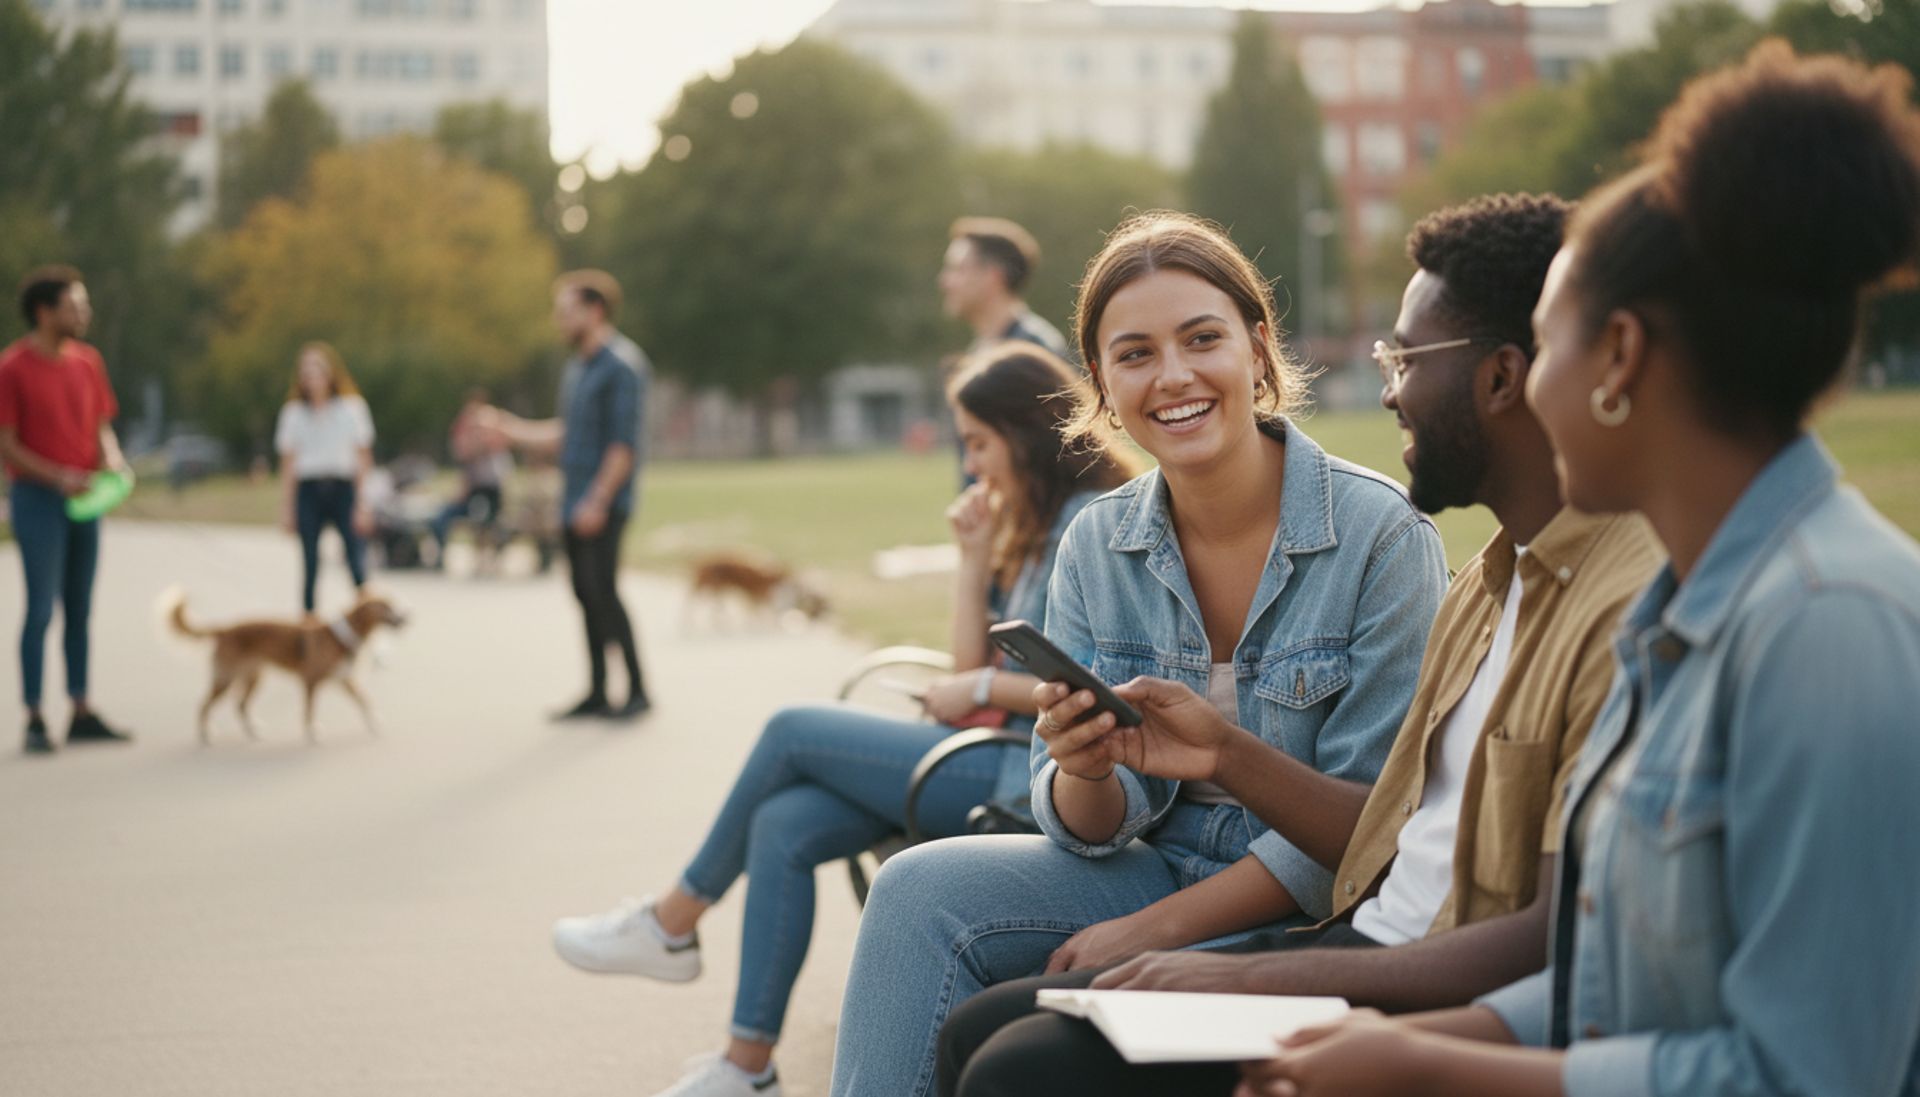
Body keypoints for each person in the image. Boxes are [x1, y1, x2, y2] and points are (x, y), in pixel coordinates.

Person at [1237, 42, 1920, 1097]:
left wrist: (1442, 1069)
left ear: (1619, 363)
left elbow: (1809, 1073)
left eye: (1545, 345)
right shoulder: (1677, 608)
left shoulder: (1830, 626)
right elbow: (1604, 977)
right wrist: (1422, 1043)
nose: (1530, 393)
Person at [934, 194, 1670, 1097]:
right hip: (1353, 937)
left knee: (1021, 1069)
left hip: (1384, 964)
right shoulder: (1488, 584)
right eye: (1133, 354)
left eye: (1403, 357)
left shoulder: (1587, 594)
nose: (1389, 386)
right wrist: (1194, 757)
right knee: (979, 1023)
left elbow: (1551, 936)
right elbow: (1387, 837)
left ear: (1505, 376)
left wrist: (1245, 967)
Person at [827, 212, 1451, 1097]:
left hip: (1316, 908)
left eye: (1202, 339)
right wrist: (1084, 768)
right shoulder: (1094, 541)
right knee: (913, 890)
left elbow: (1372, 834)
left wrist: (1159, 925)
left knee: (1012, 1057)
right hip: (1141, 867)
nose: (1173, 376)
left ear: (1258, 348)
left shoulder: (1380, 536)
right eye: (1135, 354)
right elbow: (1084, 821)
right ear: (1101, 384)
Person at [549, 344, 1142, 1097]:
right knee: (786, 821)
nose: (971, 462)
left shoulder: (1086, 523)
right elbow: (971, 661)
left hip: (1021, 772)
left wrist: (986, 683)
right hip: (982, 744)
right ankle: (745, 1064)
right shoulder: (1033, 519)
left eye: (979, 443)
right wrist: (971, 560)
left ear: (1025, 436)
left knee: (792, 729)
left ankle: (672, 920)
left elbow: (1100, 692)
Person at [482, 270, 651, 720]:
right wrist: (512, 432)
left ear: (595, 311)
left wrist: (596, 501)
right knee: (583, 592)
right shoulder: (578, 368)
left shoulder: (623, 367)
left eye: (566, 311)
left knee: (605, 591)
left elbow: (623, 446)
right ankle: (597, 689)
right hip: (574, 496)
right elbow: (567, 435)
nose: (559, 321)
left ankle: (637, 690)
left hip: (603, 501)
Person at [0, 265, 133, 754]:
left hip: (86, 500)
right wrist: (58, 476)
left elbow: (101, 426)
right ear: (44, 311)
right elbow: (6, 446)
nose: (84, 312)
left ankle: (80, 709)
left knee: (79, 609)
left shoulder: (88, 362)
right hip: (38, 501)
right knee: (39, 609)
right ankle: (34, 716)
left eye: (84, 304)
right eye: (75, 305)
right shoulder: (12, 368)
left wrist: (112, 461)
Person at [274, 342, 375, 614]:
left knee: (355, 558)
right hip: (310, 489)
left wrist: (362, 502)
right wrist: (288, 506)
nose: (312, 379)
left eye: (317, 371)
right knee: (309, 561)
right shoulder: (294, 413)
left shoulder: (351, 408)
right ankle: (308, 624)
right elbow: (288, 464)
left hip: (343, 488)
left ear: (330, 374)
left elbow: (363, 458)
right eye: (306, 374)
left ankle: (368, 622)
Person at [939, 217, 1068, 358]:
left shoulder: (1035, 352)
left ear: (993, 276)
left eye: (957, 269)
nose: (944, 281)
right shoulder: (982, 351)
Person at [428, 387, 510, 568]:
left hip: (488, 490)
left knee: (484, 519)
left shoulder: (493, 447)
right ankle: (442, 556)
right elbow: (462, 457)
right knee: (440, 518)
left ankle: (485, 559)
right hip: (473, 492)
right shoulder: (469, 450)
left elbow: (497, 472)